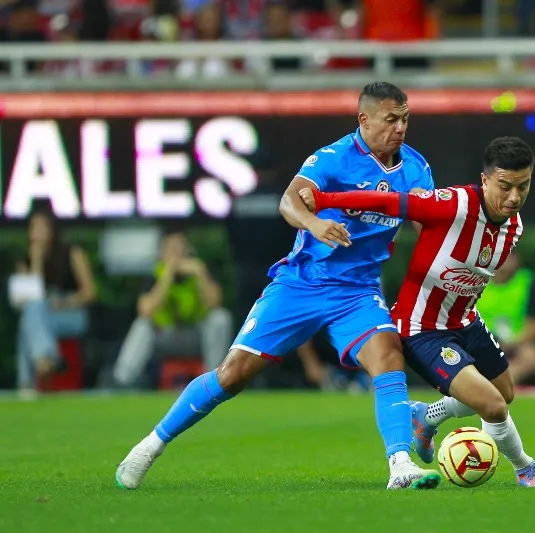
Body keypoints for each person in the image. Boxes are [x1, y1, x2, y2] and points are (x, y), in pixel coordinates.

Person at [115, 82, 440, 491]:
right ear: (365, 119)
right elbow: (289, 202)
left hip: (357, 292)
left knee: (388, 358)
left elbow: (427, 224)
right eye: (391, 119)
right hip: (302, 284)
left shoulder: (415, 167)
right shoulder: (333, 158)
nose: (400, 128)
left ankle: (400, 465)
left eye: (405, 119)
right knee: (232, 375)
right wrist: (316, 222)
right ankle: (150, 445)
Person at [299, 136, 535, 488]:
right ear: (485, 180)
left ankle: (426, 416)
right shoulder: (452, 204)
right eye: (505, 186)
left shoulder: (514, 227)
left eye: (523, 186)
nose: (514, 197)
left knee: (506, 391)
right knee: (494, 406)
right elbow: (389, 203)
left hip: (466, 321)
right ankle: (525, 468)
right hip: (421, 327)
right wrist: (323, 199)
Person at [226, 145, 327, 388]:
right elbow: (295, 237)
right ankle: (297, 376)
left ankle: (249, 379)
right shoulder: (282, 200)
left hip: (245, 275)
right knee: (291, 325)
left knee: (249, 329)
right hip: (278, 273)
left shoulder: (239, 202)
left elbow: (231, 240)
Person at [111, 229, 234, 387]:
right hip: (165, 337)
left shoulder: (199, 269)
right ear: (162, 253)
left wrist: (200, 273)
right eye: (172, 249)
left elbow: (215, 302)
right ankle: (121, 382)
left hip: (196, 336)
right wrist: (168, 274)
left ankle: (215, 383)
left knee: (220, 318)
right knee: (142, 325)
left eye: (181, 249)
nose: (178, 254)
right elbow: (145, 311)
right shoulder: (155, 273)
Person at [11, 210, 96, 394]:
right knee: (31, 313)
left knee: (29, 319)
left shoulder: (72, 253)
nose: (38, 233)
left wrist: (65, 302)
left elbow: (90, 293)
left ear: (52, 230)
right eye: (34, 228)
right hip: (42, 316)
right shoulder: (24, 261)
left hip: (71, 314)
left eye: (43, 227)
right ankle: (47, 360)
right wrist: (36, 262)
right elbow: (29, 296)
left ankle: (26, 384)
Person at [476, 251, 535, 384]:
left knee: (533, 356)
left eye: (507, 258)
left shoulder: (526, 282)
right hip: (482, 343)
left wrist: (514, 343)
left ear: (516, 260)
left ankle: (498, 383)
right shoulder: (475, 282)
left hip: (515, 343)